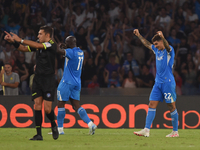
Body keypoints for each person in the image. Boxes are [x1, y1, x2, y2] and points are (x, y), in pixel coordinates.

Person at [4, 25, 59, 141]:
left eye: (40, 34)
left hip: (48, 81)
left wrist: (21, 39)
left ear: (47, 35)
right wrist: (13, 42)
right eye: (38, 33)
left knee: (48, 109)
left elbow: (38, 45)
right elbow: (23, 49)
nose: (38, 36)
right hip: (37, 79)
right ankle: (39, 134)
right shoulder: (38, 46)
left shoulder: (52, 45)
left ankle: (53, 124)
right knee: (37, 105)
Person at [133, 29, 178, 137]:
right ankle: (146, 130)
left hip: (168, 83)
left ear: (161, 41)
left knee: (171, 107)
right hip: (157, 84)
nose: (155, 46)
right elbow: (147, 44)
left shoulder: (169, 50)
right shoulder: (156, 50)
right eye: (155, 45)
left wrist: (162, 37)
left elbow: (167, 45)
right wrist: (139, 35)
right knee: (151, 104)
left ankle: (175, 132)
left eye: (157, 44)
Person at [53, 36, 97, 135]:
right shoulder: (80, 52)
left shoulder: (70, 52)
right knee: (76, 106)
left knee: (60, 104)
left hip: (66, 82)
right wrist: (63, 45)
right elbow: (66, 48)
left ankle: (60, 130)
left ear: (68, 43)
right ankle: (90, 124)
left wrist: (52, 36)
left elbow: (57, 50)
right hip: (77, 82)